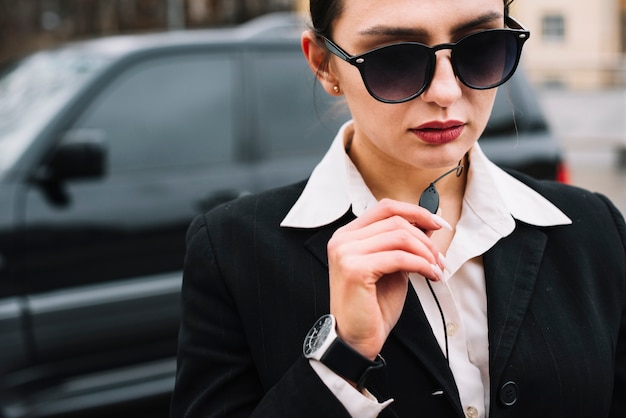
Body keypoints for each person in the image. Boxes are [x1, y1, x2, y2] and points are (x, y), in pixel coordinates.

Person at [170, 0, 626, 416]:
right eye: (395, 59)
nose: (445, 92)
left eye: (482, 47)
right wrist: (342, 354)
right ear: (323, 64)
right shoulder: (231, 251)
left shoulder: (594, 228)